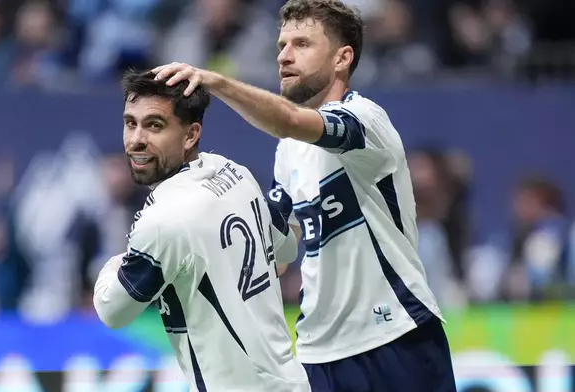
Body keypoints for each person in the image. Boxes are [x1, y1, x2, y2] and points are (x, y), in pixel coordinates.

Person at [151, 0, 457, 390]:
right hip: (319, 353)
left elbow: (288, 120)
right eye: (281, 45)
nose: (284, 56)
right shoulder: (290, 151)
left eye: (301, 44)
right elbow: (278, 253)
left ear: (342, 58)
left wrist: (217, 82)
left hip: (394, 335)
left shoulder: (366, 122)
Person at [93, 70, 310, 392]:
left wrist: (113, 265)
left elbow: (112, 311)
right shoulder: (235, 172)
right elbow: (287, 250)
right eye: (130, 123)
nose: (137, 139)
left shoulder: (162, 221)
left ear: (191, 134)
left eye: (155, 125)